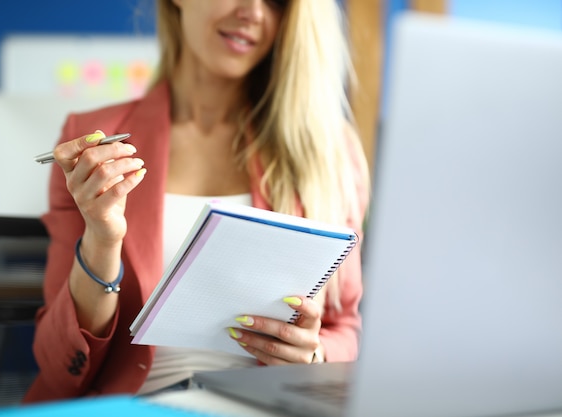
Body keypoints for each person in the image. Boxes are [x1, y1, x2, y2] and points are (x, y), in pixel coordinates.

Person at [24, 0, 370, 403]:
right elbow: (59, 365)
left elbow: (344, 327)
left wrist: (314, 356)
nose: (254, 13)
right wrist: (102, 240)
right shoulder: (93, 141)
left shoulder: (328, 153)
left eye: (276, 3)